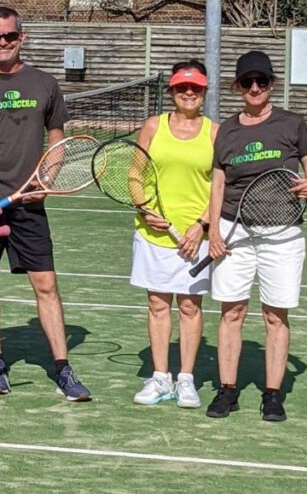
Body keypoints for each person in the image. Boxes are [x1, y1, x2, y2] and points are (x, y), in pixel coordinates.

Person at [0, 5, 92, 402]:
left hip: (28, 205)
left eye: (10, 36)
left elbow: (57, 138)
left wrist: (47, 178)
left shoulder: (44, 84)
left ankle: (63, 369)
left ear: (21, 38)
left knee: (46, 284)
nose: (3, 42)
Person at [205, 50, 307, 422]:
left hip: (283, 233)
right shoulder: (226, 129)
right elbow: (218, 183)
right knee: (232, 311)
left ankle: (272, 395)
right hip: (233, 230)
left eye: (262, 81)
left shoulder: (292, 124)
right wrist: (212, 231)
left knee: (275, 315)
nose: (255, 88)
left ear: (272, 84)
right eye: (248, 82)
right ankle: (227, 391)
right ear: (238, 87)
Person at [130, 60, 217, 409]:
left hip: (196, 236)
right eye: (182, 87)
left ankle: (186, 380)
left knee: (190, 306)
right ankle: (161, 377)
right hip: (154, 235)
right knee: (157, 304)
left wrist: (202, 225)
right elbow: (135, 174)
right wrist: (144, 209)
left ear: (205, 92)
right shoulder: (153, 126)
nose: (189, 93)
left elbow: (221, 187)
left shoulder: (215, 133)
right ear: (172, 92)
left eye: (195, 87)